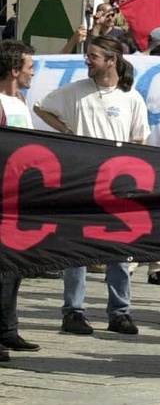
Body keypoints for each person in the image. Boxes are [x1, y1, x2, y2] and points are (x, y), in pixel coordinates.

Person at [33, 36, 148, 337]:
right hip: (80, 180)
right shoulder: (75, 91)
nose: (88, 60)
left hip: (117, 184)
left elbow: (141, 139)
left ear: (112, 60)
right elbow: (41, 107)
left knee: (120, 252)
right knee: (75, 250)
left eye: (94, 56)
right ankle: (73, 311)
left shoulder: (131, 97)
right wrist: (67, 132)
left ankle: (119, 312)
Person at [0, 40, 39, 360]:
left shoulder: (21, 100)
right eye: (29, 68)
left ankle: (8, 330)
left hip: (18, 200)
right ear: (14, 70)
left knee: (13, 269)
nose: (33, 73)